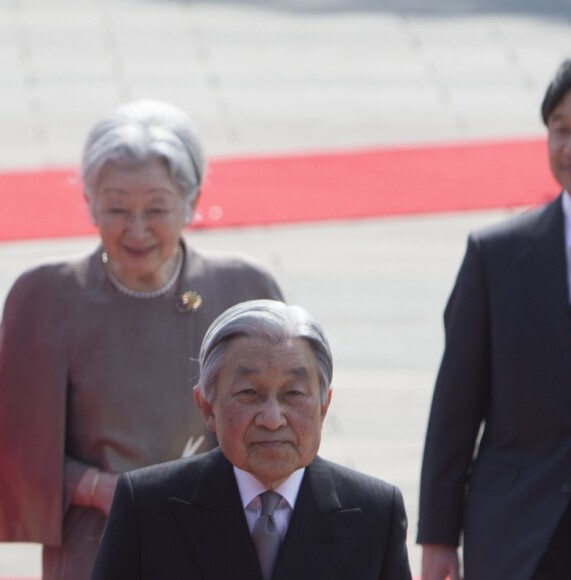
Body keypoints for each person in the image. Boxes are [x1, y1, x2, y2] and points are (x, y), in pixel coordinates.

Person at [0, 100, 284, 580]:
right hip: (99, 542)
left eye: (156, 208)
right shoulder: (46, 296)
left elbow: (287, 424)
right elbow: (15, 448)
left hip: (218, 534)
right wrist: (97, 488)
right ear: (89, 201)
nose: (136, 229)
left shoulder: (243, 289)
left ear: (191, 203)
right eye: (116, 208)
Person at [91, 299, 412, 580]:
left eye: (294, 394)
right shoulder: (148, 507)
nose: (272, 419)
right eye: (248, 393)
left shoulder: (374, 513)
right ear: (206, 406)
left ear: (324, 405)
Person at [417, 55, 571, 579]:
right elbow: (455, 405)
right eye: (561, 130)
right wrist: (439, 536)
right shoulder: (498, 255)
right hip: (517, 534)